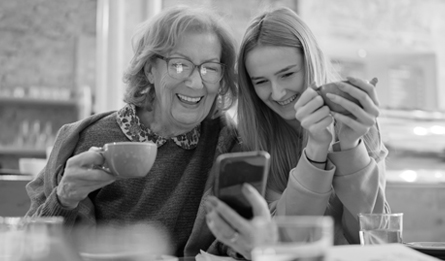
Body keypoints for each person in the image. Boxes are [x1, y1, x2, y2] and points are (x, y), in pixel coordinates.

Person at [24, 5, 241, 257]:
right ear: (150, 70)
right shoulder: (89, 139)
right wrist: (64, 198)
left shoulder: (225, 143)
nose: (195, 82)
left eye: (210, 68)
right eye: (179, 66)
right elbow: (32, 249)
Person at [205, 6, 390, 259]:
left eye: (288, 74)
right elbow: (281, 242)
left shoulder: (357, 123)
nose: (278, 92)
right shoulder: (250, 141)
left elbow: (374, 238)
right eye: (261, 82)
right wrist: (316, 148)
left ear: (310, 62)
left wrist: (349, 146)